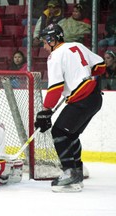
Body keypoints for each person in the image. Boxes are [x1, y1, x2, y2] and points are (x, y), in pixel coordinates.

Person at [34, 24, 106, 193]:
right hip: (95, 98)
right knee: (71, 134)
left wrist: (45, 111)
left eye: (44, 42)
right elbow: (101, 66)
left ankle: (69, 173)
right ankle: (77, 171)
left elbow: (55, 88)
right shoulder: (77, 46)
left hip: (82, 99)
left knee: (59, 132)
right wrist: (81, 72)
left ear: (52, 40)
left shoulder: (55, 56)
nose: (44, 47)